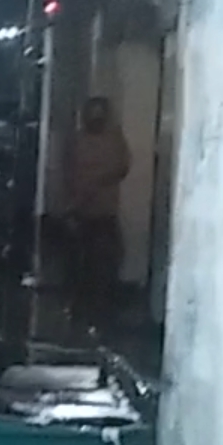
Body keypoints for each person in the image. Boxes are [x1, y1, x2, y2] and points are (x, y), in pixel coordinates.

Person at [66, 96, 131, 310]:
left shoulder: (115, 138)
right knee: (80, 260)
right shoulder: (78, 140)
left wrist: (102, 179)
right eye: (92, 113)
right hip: (81, 209)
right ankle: (78, 303)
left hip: (105, 210)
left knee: (108, 259)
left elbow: (123, 166)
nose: (96, 118)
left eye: (100, 113)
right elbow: (69, 173)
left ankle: (103, 303)